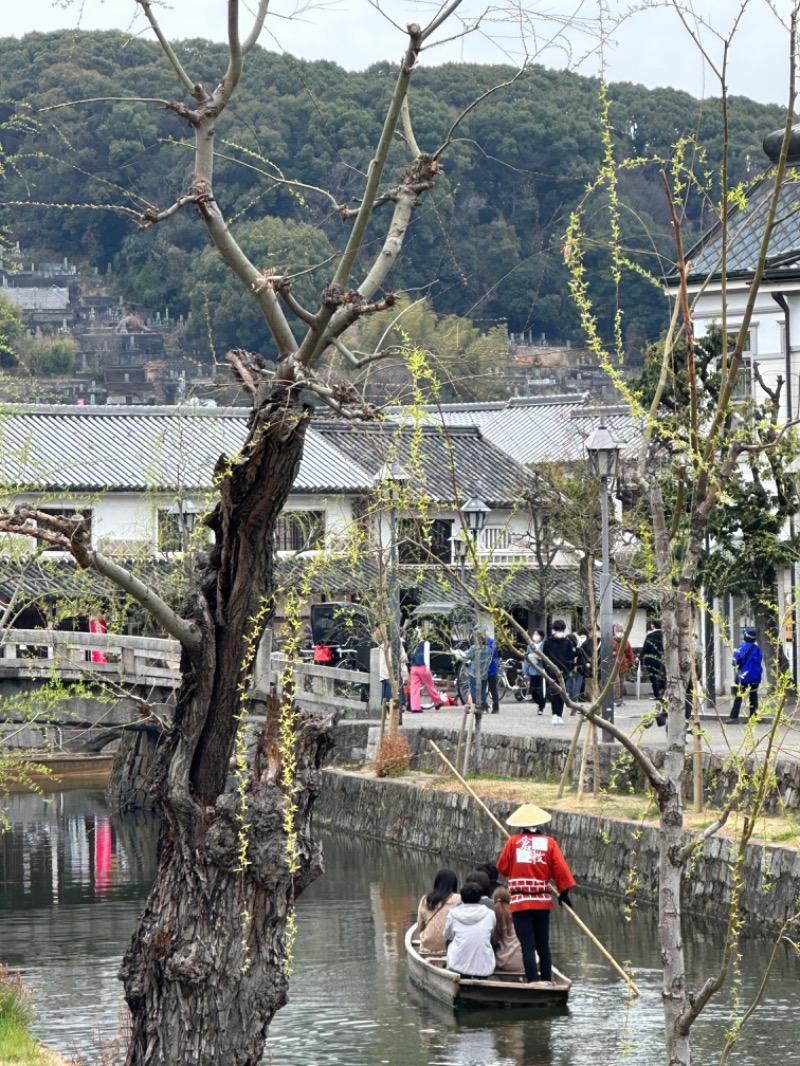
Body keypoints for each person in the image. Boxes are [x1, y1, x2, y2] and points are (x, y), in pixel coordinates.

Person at [496, 802, 576, 983]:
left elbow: (502, 868)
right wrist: (564, 893)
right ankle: (547, 980)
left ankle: (532, 982)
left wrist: (517, 867)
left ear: (522, 825)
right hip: (541, 902)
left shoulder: (513, 842)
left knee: (527, 947)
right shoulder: (550, 843)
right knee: (543, 946)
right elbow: (561, 870)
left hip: (520, 903)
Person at [444, 882, 497, 978]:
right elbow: (491, 933)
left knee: (450, 941)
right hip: (485, 969)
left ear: (462, 898)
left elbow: (448, 936)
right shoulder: (490, 914)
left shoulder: (453, 914)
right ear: (480, 898)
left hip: (457, 967)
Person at [417, 868, 461, 955]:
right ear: (454, 883)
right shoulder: (459, 899)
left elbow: (420, 925)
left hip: (427, 945)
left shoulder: (425, 899)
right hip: (449, 947)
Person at [541, 619, 576, 725]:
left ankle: (559, 714)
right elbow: (544, 658)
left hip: (564, 673)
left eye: (560, 630)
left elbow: (571, 658)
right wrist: (549, 670)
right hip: (551, 672)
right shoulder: (548, 643)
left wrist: (566, 671)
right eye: (557, 629)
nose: (558, 632)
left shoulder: (567, 643)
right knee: (553, 693)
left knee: (562, 694)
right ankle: (554, 714)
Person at [727, 626, 763, 723]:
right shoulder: (758, 649)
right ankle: (753, 717)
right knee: (753, 697)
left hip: (743, 677)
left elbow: (735, 663)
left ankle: (734, 717)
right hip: (756, 677)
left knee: (739, 696)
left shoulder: (741, 647)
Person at [408, 627, 444, 713]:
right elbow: (426, 655)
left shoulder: (414, 644)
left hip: (414, 667)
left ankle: (415, 707)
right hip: (423, 667)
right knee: (429, 685)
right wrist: (428, 667)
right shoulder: (426, 643)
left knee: (414, 688)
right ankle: (437, 701)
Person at [641, 619, 667, 727]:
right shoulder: (665, 635)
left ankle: (657, 693)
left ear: (652, 626)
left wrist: (641, 656)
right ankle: (662, 693)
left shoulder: (650, 636)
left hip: (651, 660)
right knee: (662, 677)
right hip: (663, 659)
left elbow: (645, 648)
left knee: (653, 677)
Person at [492, 886, 524, 974]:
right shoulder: (519, 915)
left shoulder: (494, 916)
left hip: (503, 963)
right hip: (524, 964)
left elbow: (493, 941)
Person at [461, 627, 492, 713]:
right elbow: (489, 659)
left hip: (473, 671)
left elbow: (467, 657)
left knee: (473, 689)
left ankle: (478, 706)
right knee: (482, 690)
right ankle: (484, 706)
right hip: (484, 672)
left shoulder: (473, 648)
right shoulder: (487, 649)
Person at [522, 631, 546, 713]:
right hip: (532, 671)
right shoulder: (530, 646)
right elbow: (526, 660)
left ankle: (541, 708)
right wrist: (525, 672)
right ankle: (540, 703)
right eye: (534, 634)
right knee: (533, 690)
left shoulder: (544, 646)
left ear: (541, 636)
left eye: (537, 634)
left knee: (541, 690)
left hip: (542, 671)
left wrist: (541, 657)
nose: (535, 636)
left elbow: (548, 657)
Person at [612, 624, 636, 706]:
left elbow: (630, 653)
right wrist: (613, 653)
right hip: (613, 665)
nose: (620, 633)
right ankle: (616, 698)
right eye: (618, 631)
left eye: (621, 631)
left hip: (623, 665)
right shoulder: (611, 641)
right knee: (616, 682)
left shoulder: (626, 642)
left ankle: (620, 697)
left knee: (621, 682)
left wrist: (632, 662)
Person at [486, 632, 501, 714]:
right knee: (492, 690)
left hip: (490, 669)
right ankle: (493, 707)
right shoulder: (492, 643)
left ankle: (493, 707)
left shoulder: (490, 643)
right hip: (490, 669)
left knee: (491, 689)